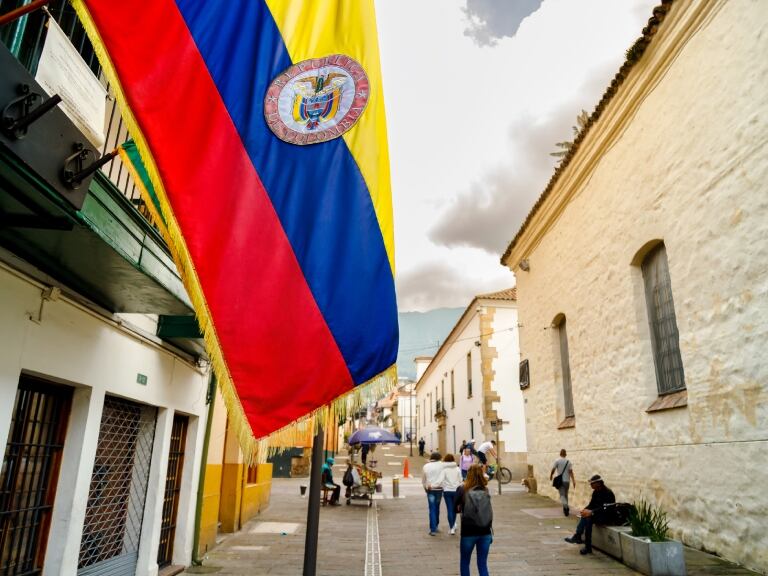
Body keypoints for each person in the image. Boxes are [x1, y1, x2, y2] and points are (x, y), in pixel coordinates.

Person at [455, 464, 493, 576]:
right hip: (485, 530)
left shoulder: (462, 489)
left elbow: (454, 509)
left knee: (465, 561)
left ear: (468, 474)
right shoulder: (485, 490)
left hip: (468, 531)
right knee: (482, 563)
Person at [565, 474, 616, 555]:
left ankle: (586, 545)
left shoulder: (608, 493)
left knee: (588, 518)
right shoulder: (596, 492)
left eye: (592, 483)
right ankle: (579, 538)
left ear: (598, 483)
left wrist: (591, 512)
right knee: (586, 515)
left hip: (606, 516)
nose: (591, 485)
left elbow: (606, 509)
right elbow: (592, 504)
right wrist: (585, 509)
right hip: (597, 514)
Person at [435, 454, 463, 535]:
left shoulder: (444, 470)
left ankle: (452, 528)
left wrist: (433, 485)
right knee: (455, 509)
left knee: (450, 509)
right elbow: (461, 480)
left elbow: (440, 480)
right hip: (456, 491)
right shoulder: (457, 469)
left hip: (447, 491)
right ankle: (453, 525)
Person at [422, 452, 445, 535]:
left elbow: (423, 480)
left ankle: (433, 529)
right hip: (439, 489)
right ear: (439, 458)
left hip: (430, 489)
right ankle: (436, 525)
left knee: (432, 508)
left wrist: (425, 487)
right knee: (437, 507)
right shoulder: (442, 466)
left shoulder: (426, 466)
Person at [550, 448, 575, 516]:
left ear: (560, 454)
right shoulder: (568, 462)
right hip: (567, 481)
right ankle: (565, 509)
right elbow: (571, 472)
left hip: (560, 481)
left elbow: (553, 469)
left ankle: (566, 507)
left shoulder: (557, 461)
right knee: (565, 495)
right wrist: (573, 481)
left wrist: (551, 475)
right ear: (565, 454)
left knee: (562, 495)